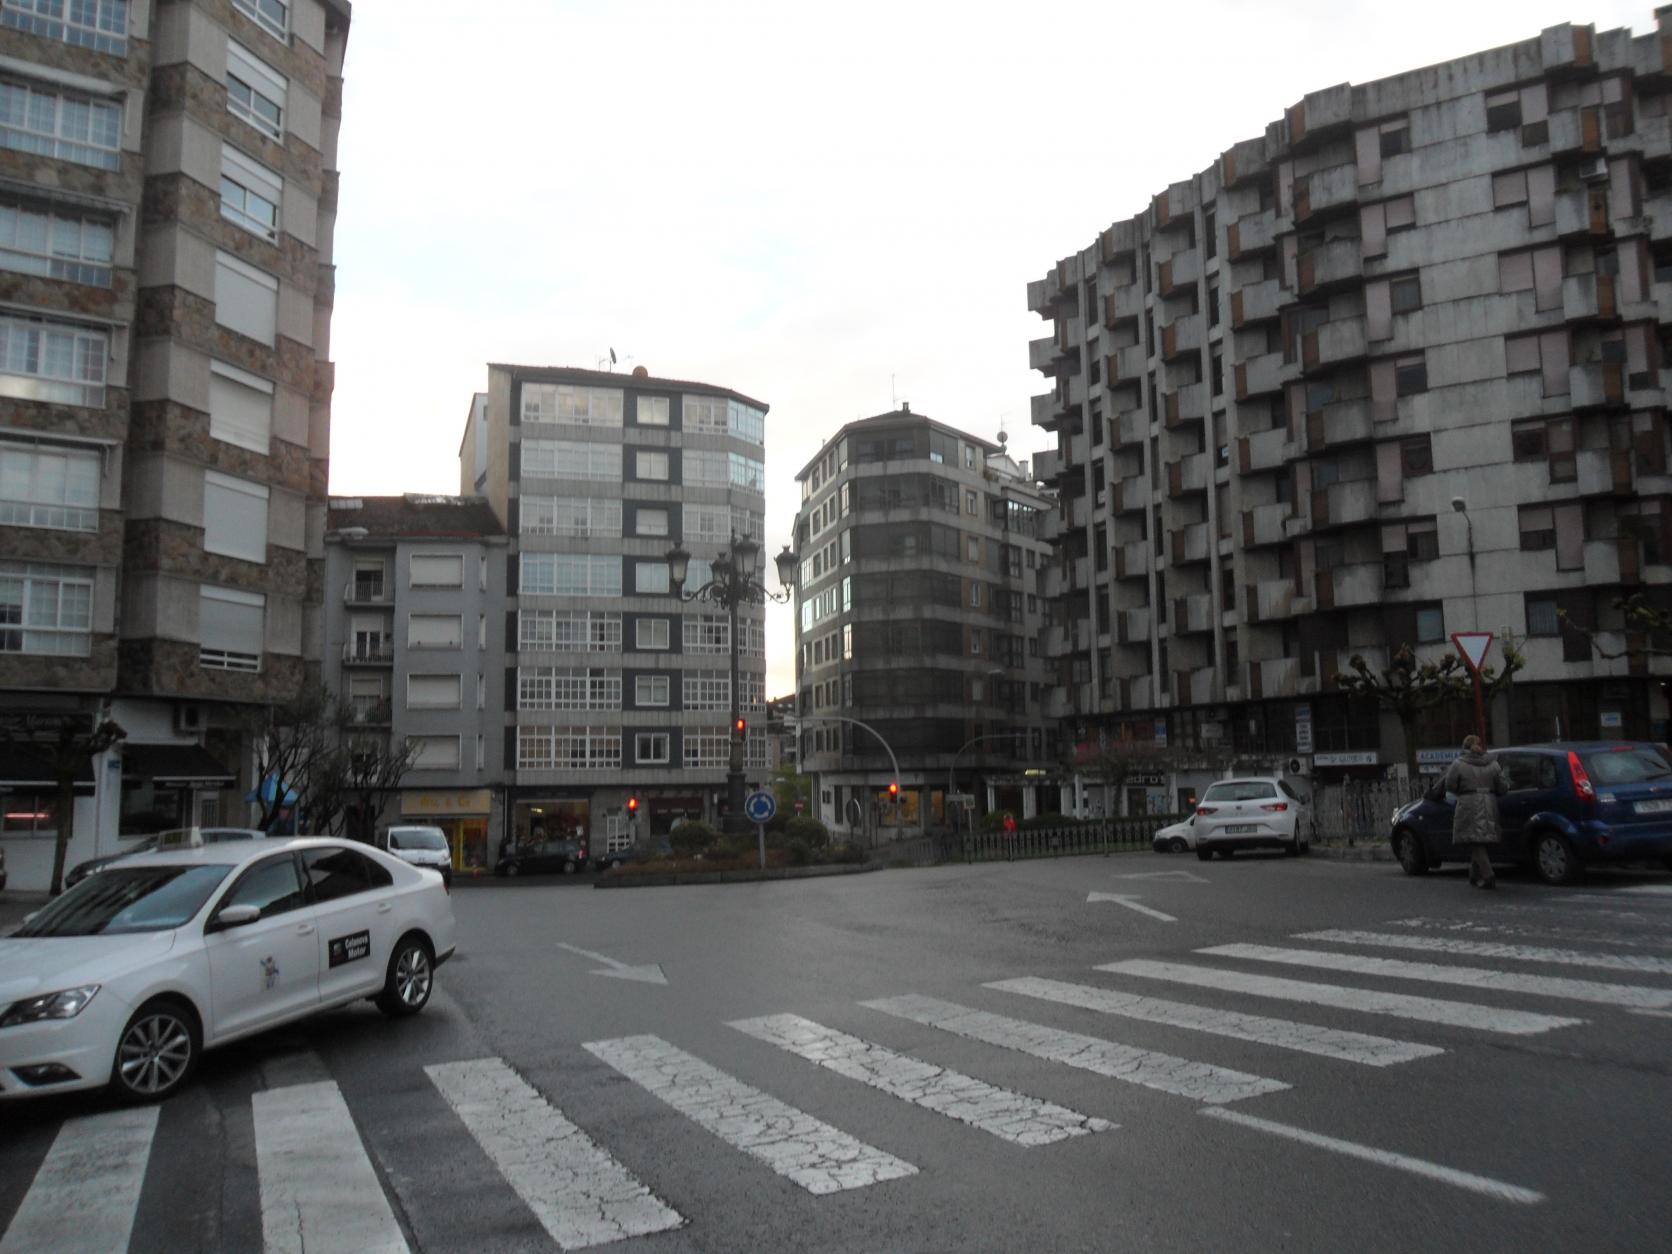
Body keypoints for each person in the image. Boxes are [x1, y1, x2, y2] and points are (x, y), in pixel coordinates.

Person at [1431, 734, 1508, 889]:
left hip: (1468, 802)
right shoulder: (1493, 763)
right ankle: (1474, 874)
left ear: (1464, 747)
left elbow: (1450, 785)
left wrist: (1463, 790)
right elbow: (1502, 786)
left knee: (1474, 840)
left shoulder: (1459, 764)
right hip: (1489, 801)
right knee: (1479, 839)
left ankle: (1488, 875)